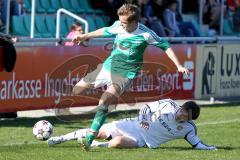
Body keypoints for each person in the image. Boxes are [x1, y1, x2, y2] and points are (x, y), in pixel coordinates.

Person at [71, 4, 189, 150]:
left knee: (105, 100)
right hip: (107, 67)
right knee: (76, 90)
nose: (121, 25)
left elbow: (166, 46)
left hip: (125, 74)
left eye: (124, 23)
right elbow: (105, 31)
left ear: (134, 22)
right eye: (120, 22)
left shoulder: (146, 34)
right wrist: (84, 36)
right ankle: (103, 109)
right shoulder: (118, 26)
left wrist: (179, 65)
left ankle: (90, 137)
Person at [47, 99, 217, 150]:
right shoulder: (168, 104)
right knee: (97, 131)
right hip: (132, 125)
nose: (182, 117)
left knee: (117, 143)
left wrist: (211, 149)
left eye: (186, 118)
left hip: (142, 141)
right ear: (182, 107)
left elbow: (197, 144)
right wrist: (143, 120)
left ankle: (96, 146)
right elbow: (145, 108)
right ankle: (59, 139)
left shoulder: (188, 129)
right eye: (183, 113)